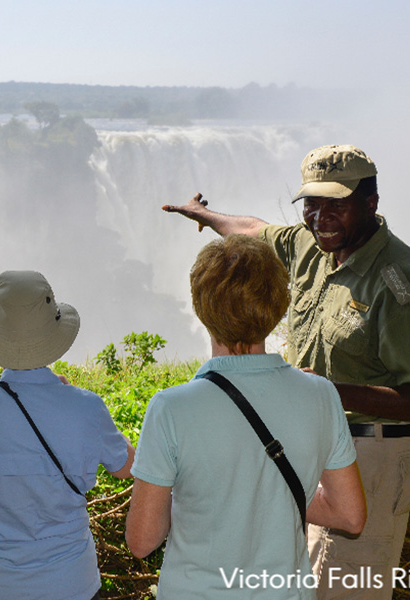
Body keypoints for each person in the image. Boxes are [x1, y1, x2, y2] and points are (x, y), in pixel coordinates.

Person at [162, 144, 410, 599]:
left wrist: (328, 392)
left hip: (372, 457)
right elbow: (254, 230)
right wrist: (207, 217)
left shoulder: (401, 282)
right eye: (312, 203)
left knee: (344, 589)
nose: (320, 217)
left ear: (371, 203)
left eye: (336, 205)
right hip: (319, 447)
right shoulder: (313, 247)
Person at [125, 234, 367, 599]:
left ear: (202, 307)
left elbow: (142, 541)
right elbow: (350, 516)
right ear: (278, 305)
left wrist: (197, 497)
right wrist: (277, 499)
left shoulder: (171, 408)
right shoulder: (320, 395)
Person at [0, 270, 136, 600]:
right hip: (68, 586)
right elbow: (128, 467)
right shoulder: (86, 408)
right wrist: (82, 407)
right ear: (53, 334)